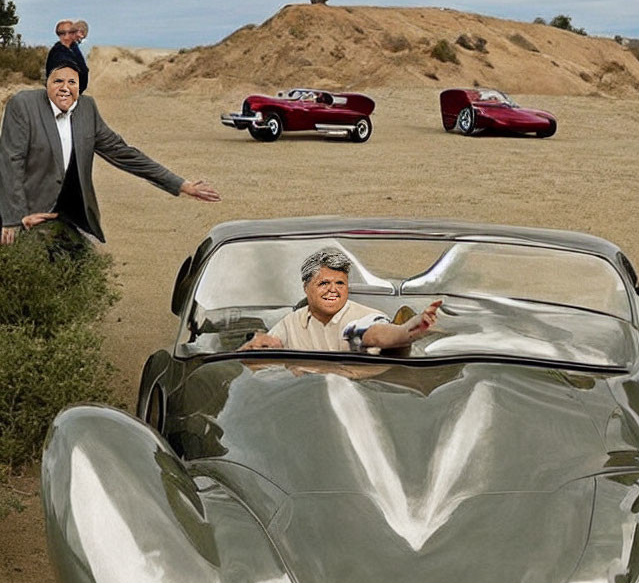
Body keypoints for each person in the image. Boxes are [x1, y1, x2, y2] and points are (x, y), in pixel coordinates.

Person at [0, 58, 220, 246]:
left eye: (72, 82)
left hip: (70, 217)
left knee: (85, 278)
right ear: (46, 82)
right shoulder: (24, 105)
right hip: (29, 215)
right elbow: (11, 161)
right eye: (57, 81)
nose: (65, 88)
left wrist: (182, 185)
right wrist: (14, 219)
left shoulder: (87, 109)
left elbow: (124, 153)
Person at [240, 248, 442, 352]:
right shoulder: (291, 322)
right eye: (324, 283)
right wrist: (258, 345)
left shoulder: (361, 319)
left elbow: (377, 335)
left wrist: (410, 328)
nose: (333, 290)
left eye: (340, 284)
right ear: (305, 288)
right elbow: (268, 346)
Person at [46, 19, 88, 93]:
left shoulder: (75, 49)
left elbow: (84, 71)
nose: (66, 36)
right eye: (62, 33)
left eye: (70, 32)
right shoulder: (57, 52)